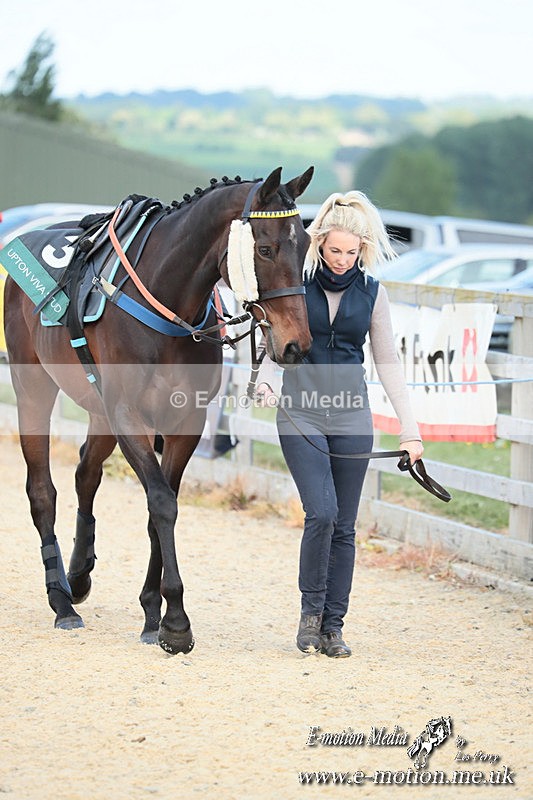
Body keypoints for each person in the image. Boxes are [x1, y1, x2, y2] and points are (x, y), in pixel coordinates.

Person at [257, 190, 423, 658]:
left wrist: (410, 430)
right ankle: (309, 615)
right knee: (322, 512)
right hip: (302, 412)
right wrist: (268, 379)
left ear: (362, 250)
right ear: (319, 244)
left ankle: (334, 626)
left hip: (352, 415)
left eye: (351, 252)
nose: (342, 260)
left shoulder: (373, 293)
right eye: (335, 251)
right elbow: (275, 337)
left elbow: (388, 361)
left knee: (345, 526)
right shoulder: (297, 284)